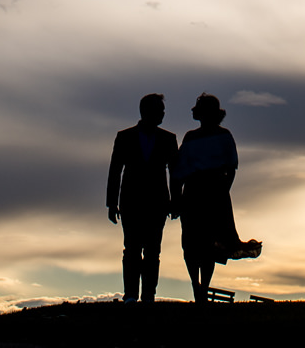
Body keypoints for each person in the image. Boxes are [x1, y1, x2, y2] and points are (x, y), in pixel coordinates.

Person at [171, 93, 262, 302]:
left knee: (208, 242)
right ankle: (197, 285)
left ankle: (202, 288)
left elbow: (231, 168)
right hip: (197, 193)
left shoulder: (223, 136)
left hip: (211, 193)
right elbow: (180, 170)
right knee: (193, 242)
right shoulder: (191, 137)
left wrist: (222, 191)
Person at [107, 93, 179, 303]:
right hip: (131, 201)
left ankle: (148, 294)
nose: (163, 114)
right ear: (147, 111)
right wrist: (112, 203)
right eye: (160, 110)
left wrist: (176, 202)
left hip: (157, 202)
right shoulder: (124, 137)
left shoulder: (169, 139)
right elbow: (115, 171)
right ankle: (131, 294)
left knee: (152, 251)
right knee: (132, 249)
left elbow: (175, 174)